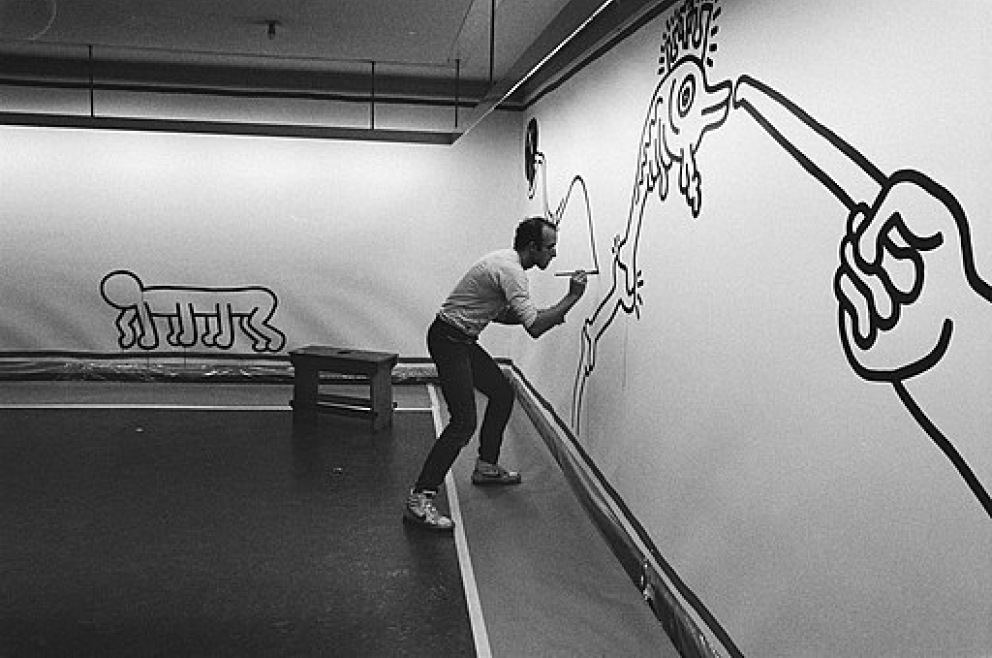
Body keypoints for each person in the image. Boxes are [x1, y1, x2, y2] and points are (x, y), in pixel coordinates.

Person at [404, 216, 588, 531]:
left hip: (458, 338)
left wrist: (540, 314)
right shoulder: (513, 272)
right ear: (533, 247)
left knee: (502, 393)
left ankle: (487, 466)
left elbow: (500, 314)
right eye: (550, 247)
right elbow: (534, 329)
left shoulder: (505, 261)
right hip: (450, 340)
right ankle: (420, 498)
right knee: (463, 422)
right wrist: (572, 298)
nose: (554, 254)